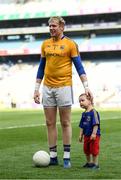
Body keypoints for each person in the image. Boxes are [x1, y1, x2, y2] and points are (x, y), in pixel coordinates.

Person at [34, 16, 93, 168]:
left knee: (65, 122)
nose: (51, 28)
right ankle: (53, 156)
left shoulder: (70, 44)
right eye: (50, 26)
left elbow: (79, 67)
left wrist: (86, 86)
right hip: (47, 87)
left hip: (64, 87)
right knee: (49, 122)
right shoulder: (45, 44)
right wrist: (36, 89)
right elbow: (41, 68)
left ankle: (66, 157)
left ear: (62, 27)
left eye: (54, 26)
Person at [78, 93, 100, 169]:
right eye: (79, 101)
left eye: (82, 100)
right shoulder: (84, 114)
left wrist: (94, 133)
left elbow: (96, 124)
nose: (81, 103)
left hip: (94, 135)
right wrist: (80, 135)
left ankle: (95, 164)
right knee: (86, 150)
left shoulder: (93, 112)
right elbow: (81, 125)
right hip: (86, 135)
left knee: (94, 150)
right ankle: (89, 163)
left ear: (89, 100)